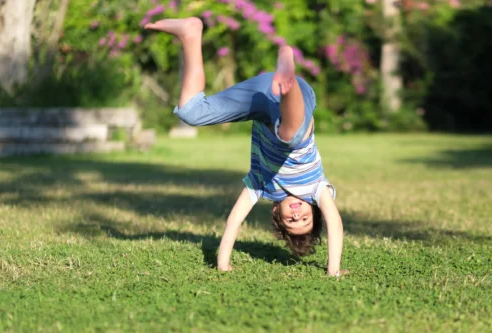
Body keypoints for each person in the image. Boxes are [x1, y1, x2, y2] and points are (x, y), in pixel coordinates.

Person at [145, 17, 347, 276]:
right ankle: (289, 82)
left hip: (261, 97)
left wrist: (222, 262)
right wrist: (333, 270)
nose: (297, 216)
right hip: (298, 104)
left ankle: (190, 34)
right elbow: (335, 223)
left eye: (291, 221)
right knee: (292, 138)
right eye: (305, 219)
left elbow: (234, 220)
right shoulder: (316, 190)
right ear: (313, 209)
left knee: (191, 113)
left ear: (276, 211)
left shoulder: (260, 185)